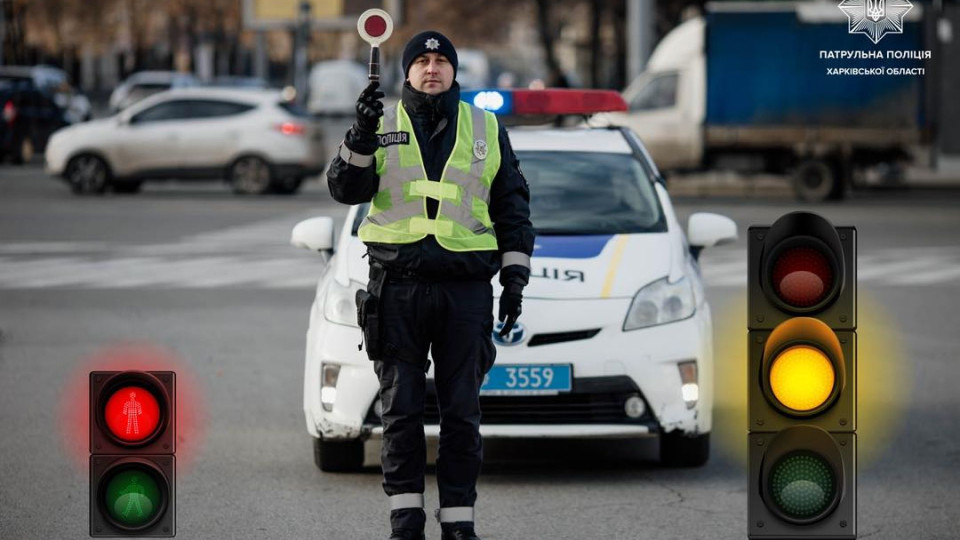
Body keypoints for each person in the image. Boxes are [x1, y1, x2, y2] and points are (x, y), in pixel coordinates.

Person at [326, 30, 534, 540]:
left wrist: (514, 278)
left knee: (462, 413)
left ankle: (459, 522)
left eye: (442, 60)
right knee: (400, 414)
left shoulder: (484, 127)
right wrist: (358, 134)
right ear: (407, 71)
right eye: (423, 60)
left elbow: (512, 206)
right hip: (396, 288)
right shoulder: (380, 123)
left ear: (454, 71)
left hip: (464, 292)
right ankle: (406, 521)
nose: (433, 68)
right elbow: (343, 189)